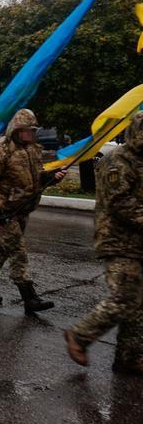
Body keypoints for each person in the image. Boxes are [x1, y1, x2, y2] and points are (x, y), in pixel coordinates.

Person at [65, 111, 143, 375]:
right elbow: (120, 203)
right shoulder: (117, 160)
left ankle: (129, 358)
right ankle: (80, 335)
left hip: (137, 242)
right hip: (117, 240)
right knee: (124, 297)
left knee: (137, 302)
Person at [0, 108, 65, 314]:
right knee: (18, 251)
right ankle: (29, 297)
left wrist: (50, 177)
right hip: (5, 211)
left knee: (2, 249)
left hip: (23, 209)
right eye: (29, 130)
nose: (33, 134)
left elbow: (36, 177)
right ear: (17, 130)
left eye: (34, 130)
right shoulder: (1, 149)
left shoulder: (33, 149)